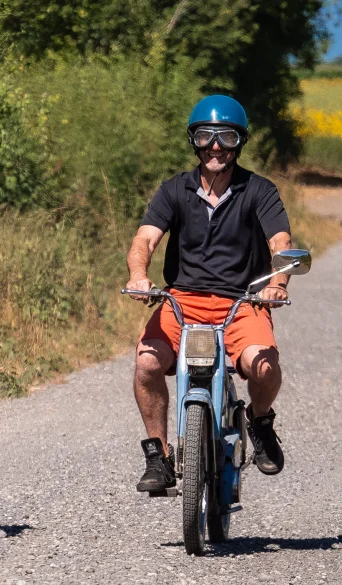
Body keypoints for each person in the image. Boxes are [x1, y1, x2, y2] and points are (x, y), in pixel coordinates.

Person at [126, 95, 294, 492]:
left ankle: (260, 420)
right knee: (147, 365)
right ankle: (159, 456)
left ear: (240, 142)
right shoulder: (174, 190)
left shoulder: (259, 190)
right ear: (194, 140)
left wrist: (277, 282)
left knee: (264, 367)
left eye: (226, 137)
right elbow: (145, 239)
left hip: (243, 302)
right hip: (181, 299)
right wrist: (137, 274)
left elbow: (281, 241)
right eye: (206, 136)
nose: (216, 146)